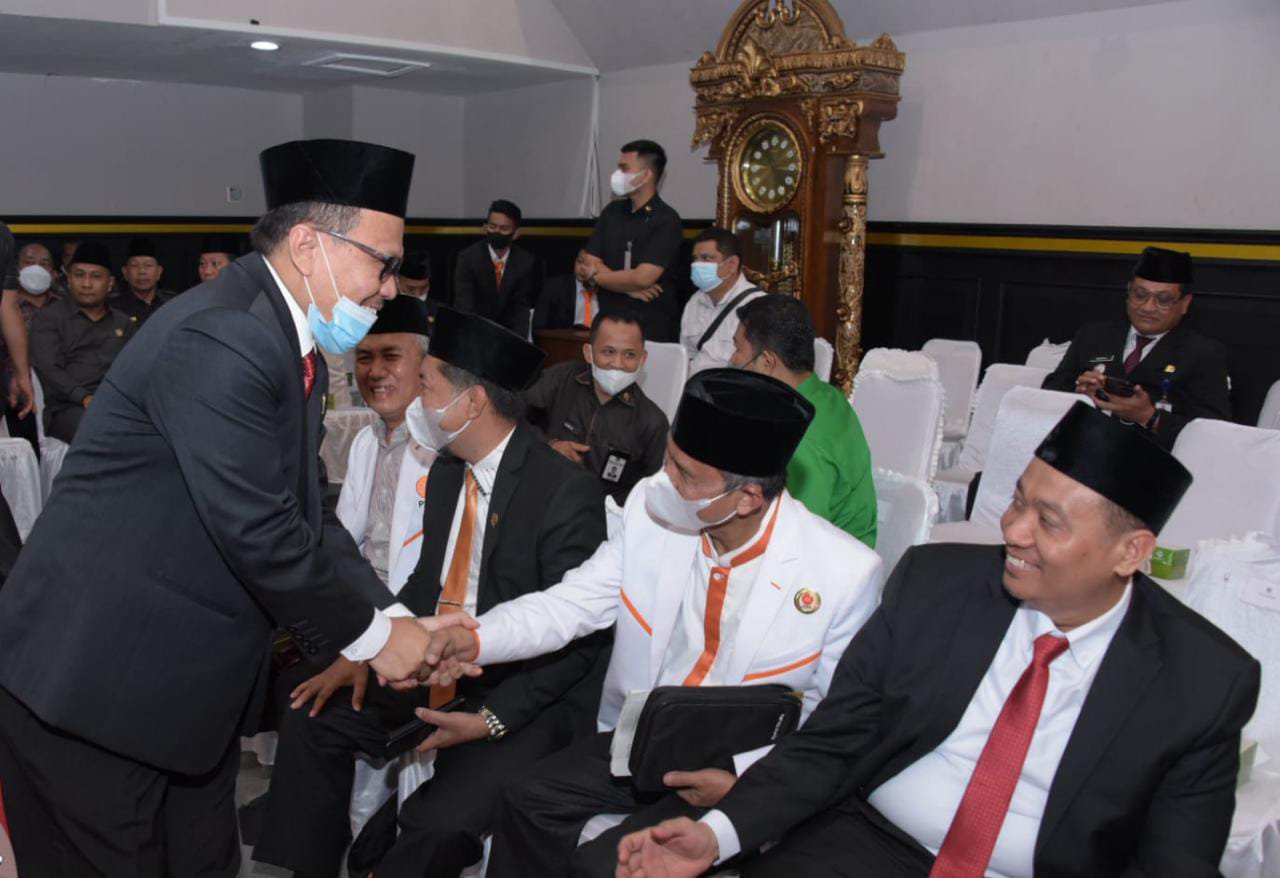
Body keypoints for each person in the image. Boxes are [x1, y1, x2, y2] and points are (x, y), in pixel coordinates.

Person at [0, 138, 463, 878]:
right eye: (382, 263)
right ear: (309, 245)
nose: (388, 287)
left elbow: (305, 513)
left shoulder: (284, 339)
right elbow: (257, 526)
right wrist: (377, 638)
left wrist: (393, 617)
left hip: (180, 694)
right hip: (94, 687)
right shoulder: (224, 333)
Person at [616, 401, 1260, 878]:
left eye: (1049, 521)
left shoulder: (1202, 681)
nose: (1014, 530)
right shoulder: (934, 585)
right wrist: (718, 836)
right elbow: (834, 741)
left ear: (1131, 552)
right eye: (1018, 502)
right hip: (868, 847)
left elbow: (1176, 863)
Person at [426, 368, 884, 877]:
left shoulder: (843, 573)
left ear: (748, 498)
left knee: (605, 865)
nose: (666, 481)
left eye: (686, 475)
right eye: (668, 459)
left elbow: (833, 720)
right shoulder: (653, 509)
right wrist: (475, 640)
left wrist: (744, 779)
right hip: (643, 741)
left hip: (738, 768)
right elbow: (571, 604)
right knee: (524, 798)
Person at [254, 306, 610, 878]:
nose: (417, 400)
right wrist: (369, 650)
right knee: (311, 709)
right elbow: (427, 583)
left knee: (440, 823)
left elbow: (576, 641)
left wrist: (489, 719)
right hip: (438, 663)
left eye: (427, 386)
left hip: (524, 692)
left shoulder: (563, 491)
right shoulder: (449, 470)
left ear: (472, 402)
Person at [1042, 246, 1230, 449]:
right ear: (1128, 292)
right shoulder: (1093, 335)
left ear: (1185, 303)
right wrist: (1078, 390)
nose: (1148, 307)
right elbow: (1049, 392)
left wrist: (1148, 416)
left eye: (1163, 300)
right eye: (1140, 295)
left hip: (1151, 458)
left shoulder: (1203, 354)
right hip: (1082, 448)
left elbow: (1213, 433)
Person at [730, 295, 876, 547]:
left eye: (738, 349)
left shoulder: (798, 439)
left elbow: (800, 539)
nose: (733, 359)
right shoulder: (823, 394)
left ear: (767, 362)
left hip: (828, 560)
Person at [524, 309, 668, 503]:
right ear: (589, 353)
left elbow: (656, 490)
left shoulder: (652, 422)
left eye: (629, 355)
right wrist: (549, 444)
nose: (618, 364)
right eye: (608, 352)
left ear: (642, 359)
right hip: (542, 491)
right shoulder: (563, 379)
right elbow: (511, 416)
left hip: (603, 513)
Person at [29, 241, 134, 442]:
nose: (86, 284)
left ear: (110, 283)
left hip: (116, 404)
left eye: (96, 276)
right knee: (98, 428)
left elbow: (134, 369)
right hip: (68, 407)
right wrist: (84, 397)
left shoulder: (123, 323)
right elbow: (49, 369)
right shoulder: (49, 318)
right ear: (69, 280)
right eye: (79, 275)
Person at [582, 140, 684, 342]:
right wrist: (629, 288)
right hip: (609, 322)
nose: (617, 174)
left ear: (646, 175)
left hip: (650, 328)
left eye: (624, 168)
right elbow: (588, 263)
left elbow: (643, 278)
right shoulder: (611, 212)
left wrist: (596, 278)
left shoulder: (667, 220)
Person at [681, 228, 766, 374]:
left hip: (733, 385)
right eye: (695, 258)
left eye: (706, 258)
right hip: (694, 384)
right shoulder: (694, 302)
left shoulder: (758, 305)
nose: (697, 265)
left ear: (732, 264)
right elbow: (686, 356)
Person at [452, 199, 538, 338]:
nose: (497, 232)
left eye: (503, 229)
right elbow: (465, 307)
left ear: (516, 233)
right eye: (492, 226)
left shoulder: (525, 262)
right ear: (485, 227)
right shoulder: (468, 258)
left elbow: (520, 309)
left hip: (508, 336)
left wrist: (518, 342)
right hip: (474, 334)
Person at [534, 248, 603, 331]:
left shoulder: (607, 291)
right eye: (579, 261)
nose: (582, 267)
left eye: (588, 264)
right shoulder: (555, 286)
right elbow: (538, 327)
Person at [115, 236, 177, 325]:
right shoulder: (112, 307)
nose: (142, 271)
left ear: (159, 272)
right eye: (134, 265)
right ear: (125, 272)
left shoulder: (173, 303)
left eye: (148, 265)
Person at [14, 242, 62, 326]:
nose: (37, 268)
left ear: (51, 271)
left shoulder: (63, 303)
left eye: (44, 264)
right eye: (29, 262)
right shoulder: (6, 305)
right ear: (17, 268)